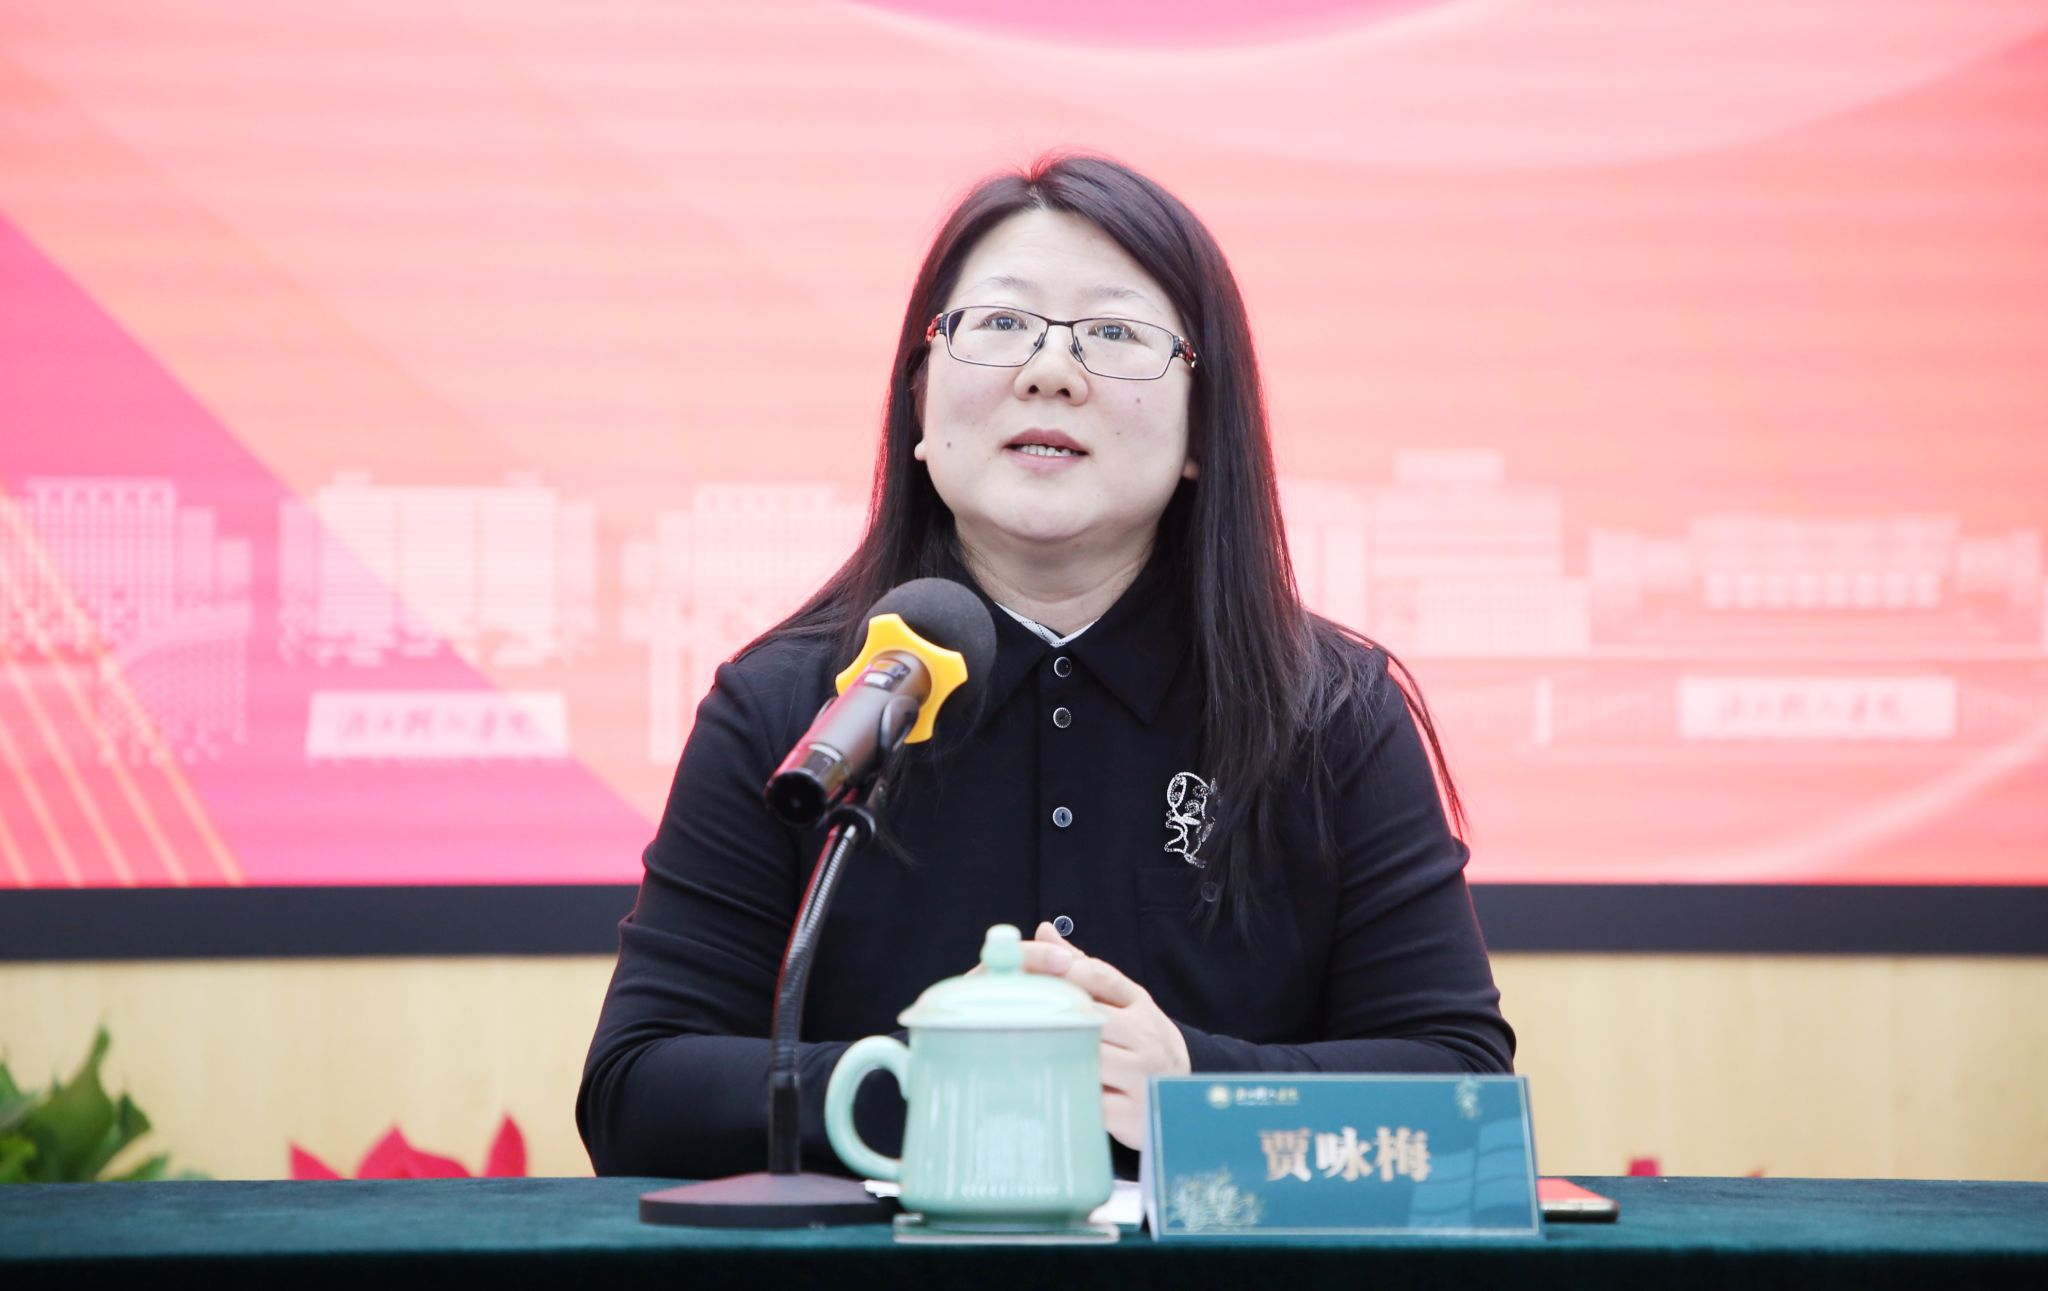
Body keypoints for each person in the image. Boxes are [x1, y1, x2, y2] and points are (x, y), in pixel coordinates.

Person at [578, 153, 1514, 1180]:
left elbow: (1461, 1100)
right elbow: (636, 1088)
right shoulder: (792, 708)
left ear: (1201, 430)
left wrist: (1190, 1085)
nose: (1049, 371)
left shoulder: (1330, 712)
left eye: (1113, 334)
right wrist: (940, 1085)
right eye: (1000, 322)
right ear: (920, 407)